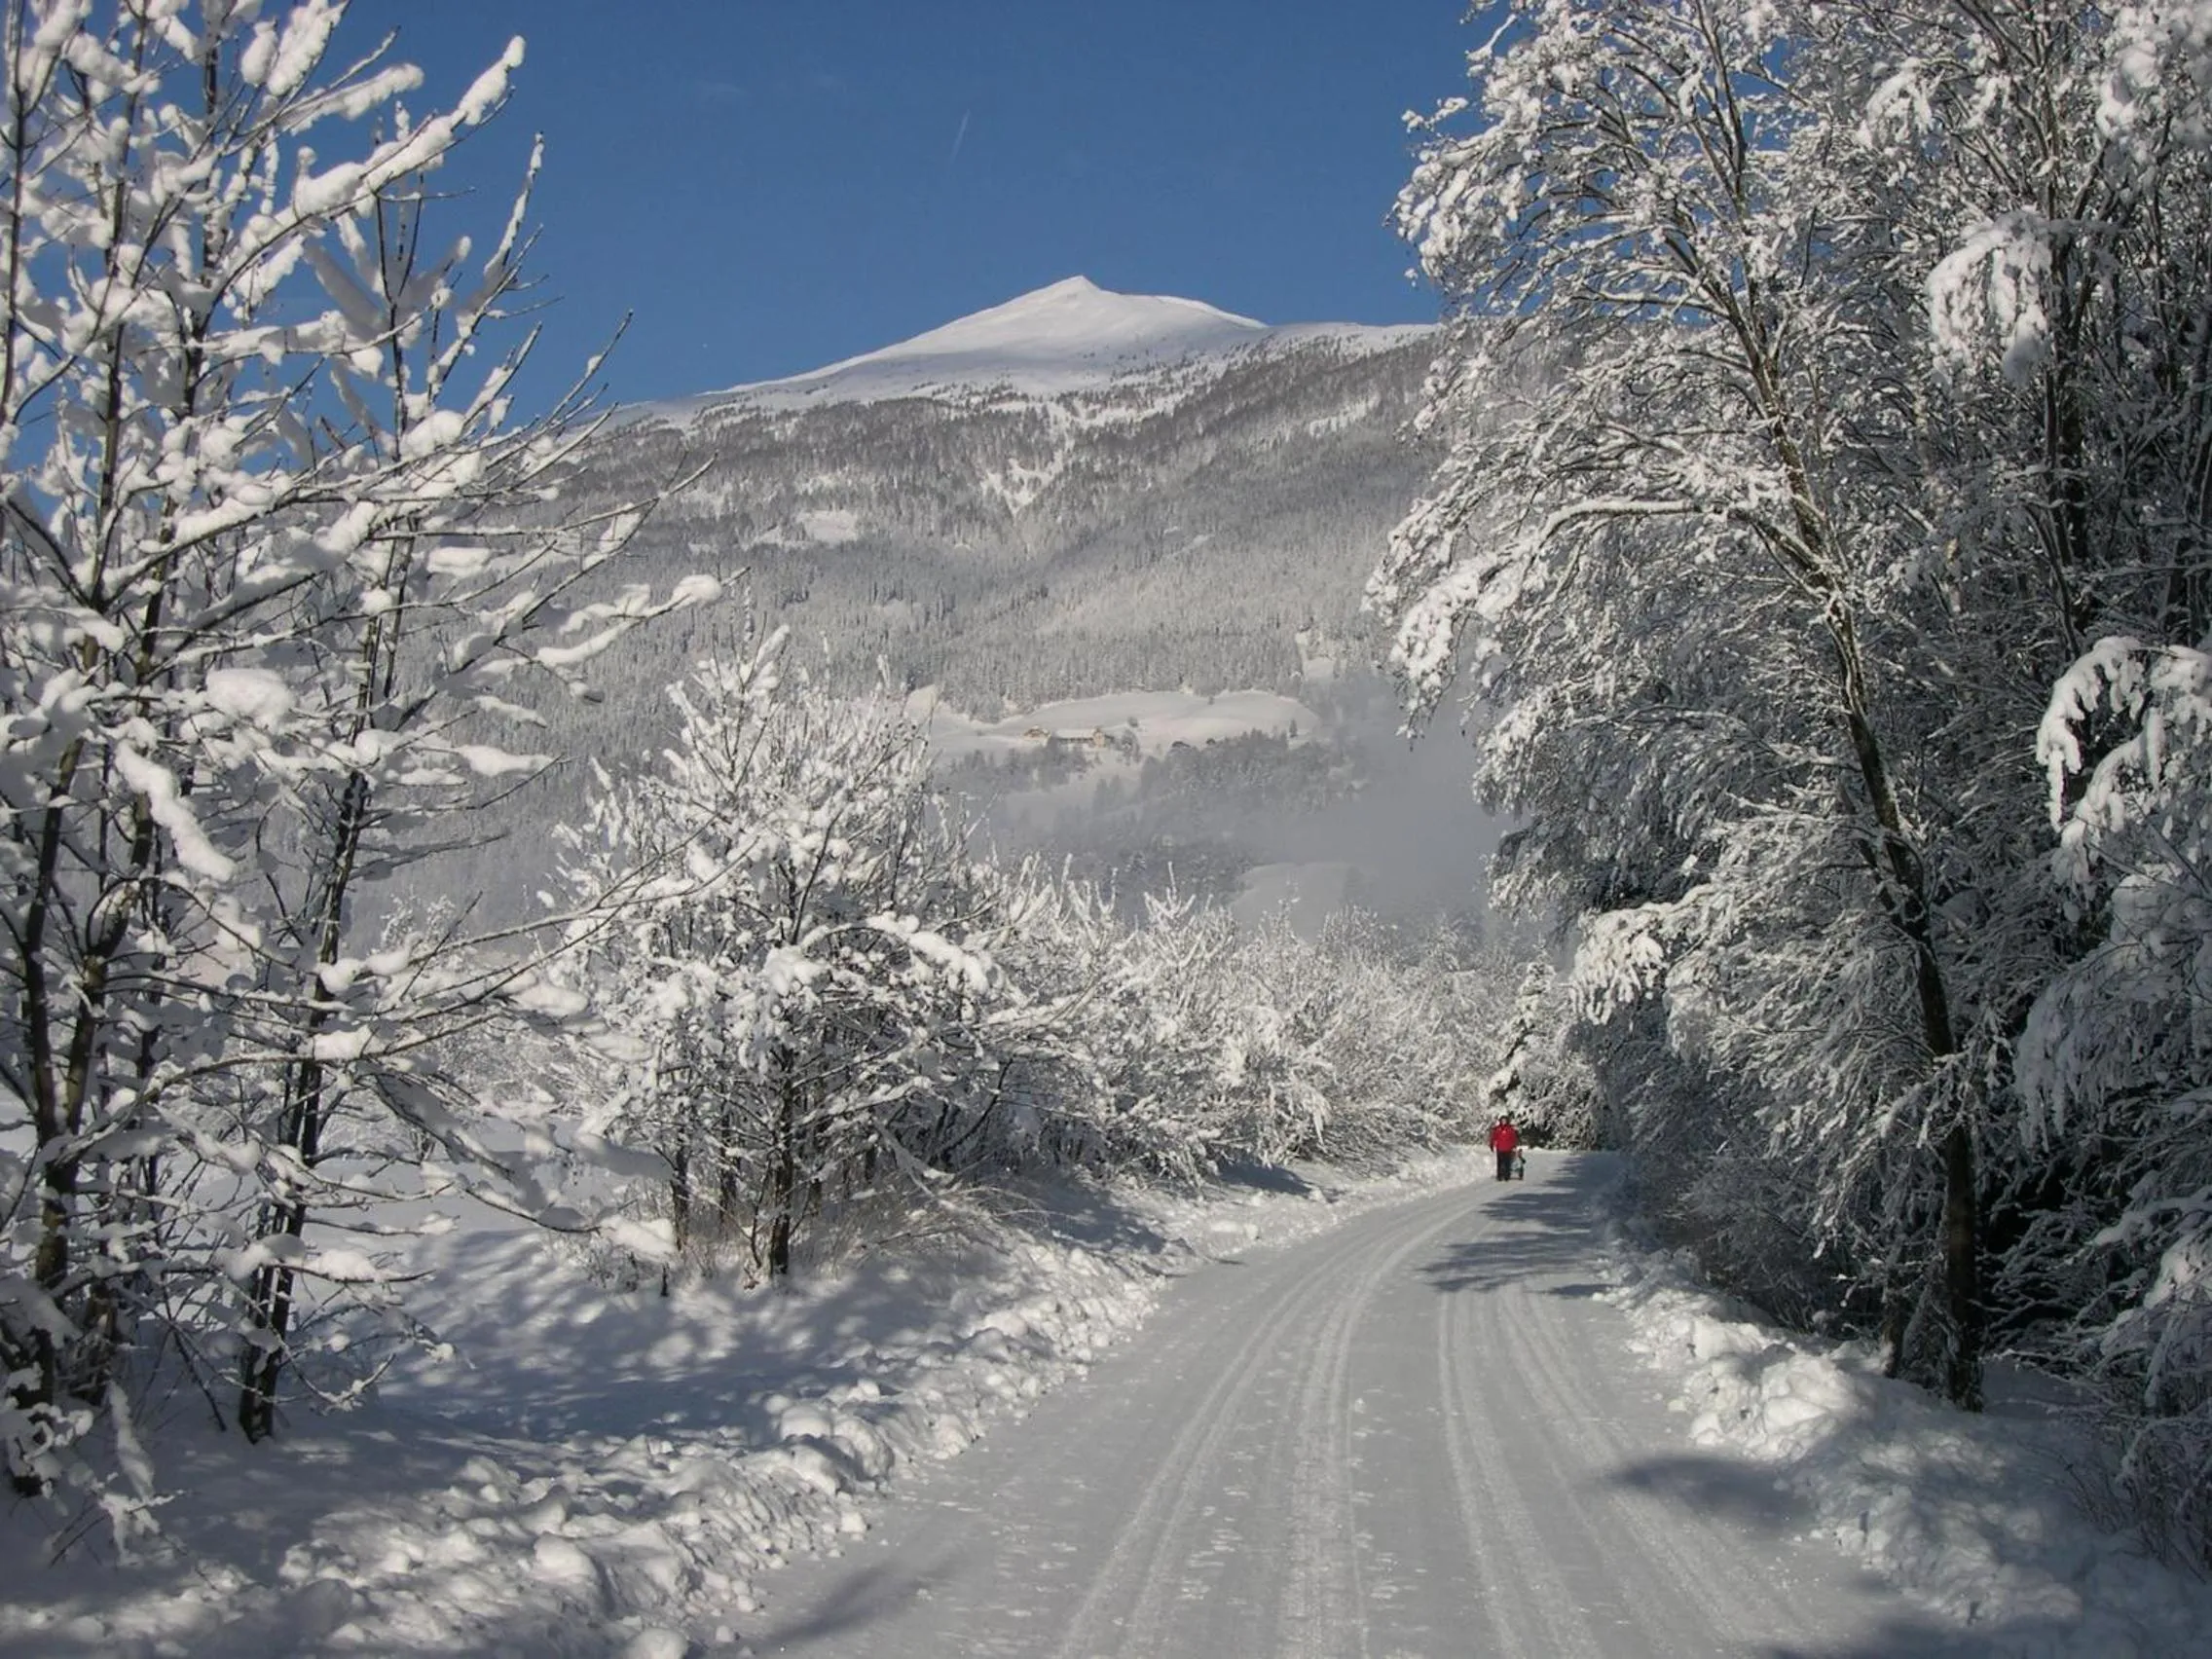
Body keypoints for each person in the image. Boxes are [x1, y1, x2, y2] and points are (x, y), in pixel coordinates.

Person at [1489, 1114, 1521, 1182]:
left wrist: (1514, 1145)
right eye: (1502, 1121)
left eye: (1504, 1121)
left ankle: (1507, 1176)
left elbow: (1513, 1138)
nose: (1503, 1122)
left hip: (1508, 1148)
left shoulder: (1510, 1129)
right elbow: (1494, 1137)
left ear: (1507, 1121)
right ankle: (1499, 1176)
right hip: (1500, 1148)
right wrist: (1491, 1144)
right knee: (1499, 1163)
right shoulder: (1498, 1129)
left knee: (1507, 1163)